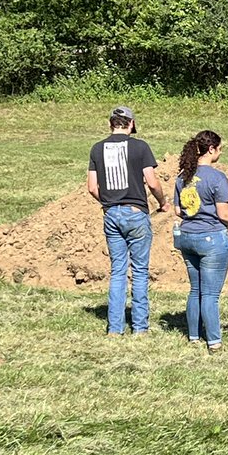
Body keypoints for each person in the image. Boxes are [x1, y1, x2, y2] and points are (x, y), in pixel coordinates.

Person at [87, 106, 169, 336]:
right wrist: (163, 203)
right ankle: (140, 327)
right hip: (136, 212)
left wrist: (108, 202)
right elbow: (152, 183)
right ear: (131, 124)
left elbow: (92, 187)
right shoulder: (140, 147)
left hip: (111, 213)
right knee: (140, 271)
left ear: (110, 124)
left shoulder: (97, 148)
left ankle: (114, 328)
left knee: (117, 271)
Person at [174, 131, 228, 353]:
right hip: (212, 239)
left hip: (187, 237)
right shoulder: (217, 178)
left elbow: (178, 210)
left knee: (195, 290)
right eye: (220, 148)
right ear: (211, 149)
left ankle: (193, 336)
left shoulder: (183, 177)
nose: (221, 152)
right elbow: (224, 214)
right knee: (210, 294)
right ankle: (214, 342)